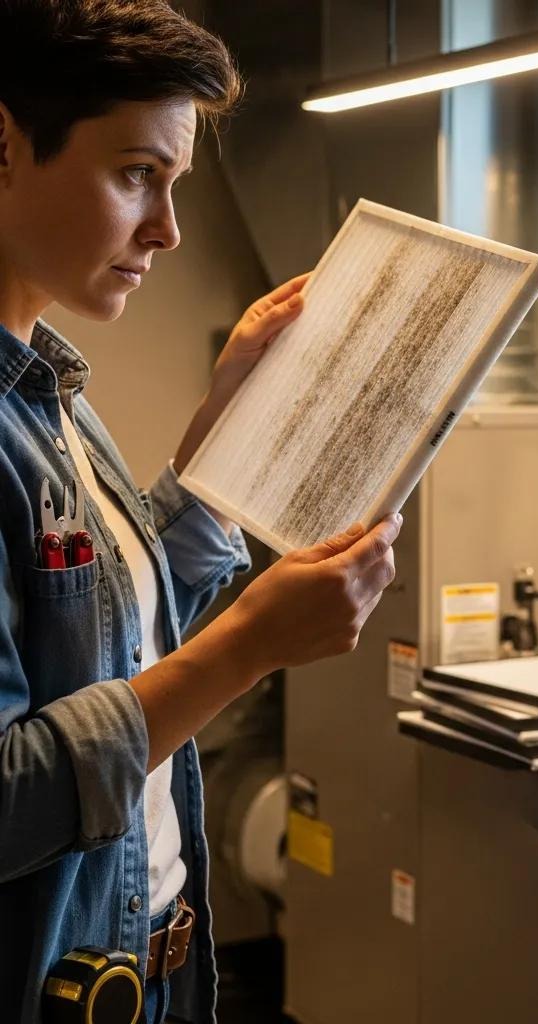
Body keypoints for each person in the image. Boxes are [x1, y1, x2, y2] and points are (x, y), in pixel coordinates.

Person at [0, 2, 401, 1021]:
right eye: (137, 174)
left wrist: (231, 425)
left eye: (174, 184)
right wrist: (247, 647)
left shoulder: (48, 393)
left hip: (150, 966)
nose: (168, 229)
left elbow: (112, 625)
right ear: (3, 145)